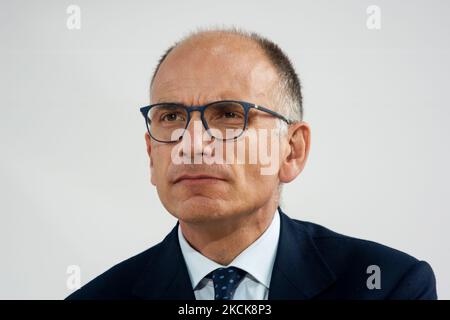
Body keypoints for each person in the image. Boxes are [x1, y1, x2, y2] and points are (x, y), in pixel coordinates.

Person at [66, 28, 437, 300]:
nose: (192, 144)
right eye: (171, 117)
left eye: (229, 114)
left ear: (292, 151)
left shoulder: (388, 286)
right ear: (151, 154)